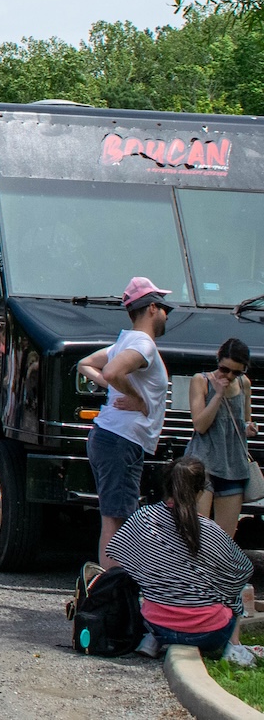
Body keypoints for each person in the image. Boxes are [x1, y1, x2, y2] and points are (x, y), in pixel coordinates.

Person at [110, 456, 258, 662]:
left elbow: (116, 551)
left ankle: (153, 640)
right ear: (200, 492)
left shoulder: (143, 518)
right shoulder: (210, 530)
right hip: (209, 633)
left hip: (157, 624)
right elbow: (242, 571)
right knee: (235, 590)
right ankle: (234, 648)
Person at [78, 276, 173, 569]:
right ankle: (112, 592)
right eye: (166, 307)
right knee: (117, 522)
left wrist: (115, 388)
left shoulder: (125, 341)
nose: (168, 314)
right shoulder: (143, 344)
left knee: (116, 517)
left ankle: (113, 587)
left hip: (111, 437)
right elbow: (112, 372)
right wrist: (138, 398)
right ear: (153, 308)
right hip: (121, 440)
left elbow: (86, 364)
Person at [185, 338, 256, 537]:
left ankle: (216, 569)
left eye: (237, 372)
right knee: (196, 532)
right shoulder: (201, 381)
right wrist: (217, 395)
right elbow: (200, 425)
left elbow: (244, 421)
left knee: (224, 538)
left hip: (233, 465)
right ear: (218, 360)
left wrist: (249, 428)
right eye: (225, 370)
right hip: (203, 462)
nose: (230, 376)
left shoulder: (244, 384)